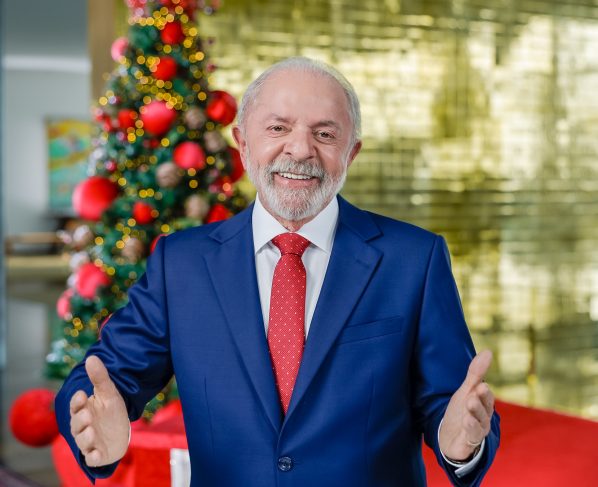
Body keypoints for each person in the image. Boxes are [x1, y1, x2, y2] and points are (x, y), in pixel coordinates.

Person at [56, 56, 500, 486]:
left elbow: (452, 403)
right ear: (242, 142)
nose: (301, 149)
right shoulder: (181, 264)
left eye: (325, 134)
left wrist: (459, 442)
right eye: (278, 128)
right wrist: (92, 423)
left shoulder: (414, 259)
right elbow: (102, 378)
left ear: (351, 153)